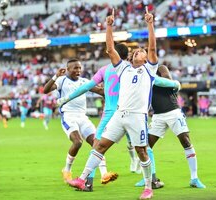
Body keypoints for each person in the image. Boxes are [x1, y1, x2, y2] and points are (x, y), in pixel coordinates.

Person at [67, 7, 162, 200]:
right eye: (136, 52)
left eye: (142, 51)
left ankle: (148, 187)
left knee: (141, 151)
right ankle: (83, 178)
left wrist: (150, 24)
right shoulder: (123, 68)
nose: (140, 52)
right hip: (120, 114)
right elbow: (110, 48)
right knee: (100, 145)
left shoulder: (150, 69)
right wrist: (109, 26)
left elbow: (152, 48)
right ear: (131, 57)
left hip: (137, 116)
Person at [57, 44, 180, 186]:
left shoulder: (105, 70)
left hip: (110, 113)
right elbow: (157, 80)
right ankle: (152, 179)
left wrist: (67, 98)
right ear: (128, 55)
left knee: (97, 146)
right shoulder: (131, 68)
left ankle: (88, 182)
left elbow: (87, 86)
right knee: (143, 147)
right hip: (130, 113)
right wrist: (175, 84)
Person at [43, 58, 117, 191]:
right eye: (75, 68)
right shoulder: (62, 80)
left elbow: (100, 91)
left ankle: (104, 174)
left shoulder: (84, 81)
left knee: (97, 143)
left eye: (79, 68)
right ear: (68, 69)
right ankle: (67, 170)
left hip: (83, 117)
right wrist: (55, 76)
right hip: (69, 116)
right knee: (77, 142)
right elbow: (45, 90)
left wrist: (110, 91)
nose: (78, 70)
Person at [135, 65, 206, 189]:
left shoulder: (161, 69)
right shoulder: (141, 76)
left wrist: (149, 78)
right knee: (145, 146)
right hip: (157, 115)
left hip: (173, 112)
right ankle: (149, 177)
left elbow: (168, 81)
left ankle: (194, 178)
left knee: (186, 141)